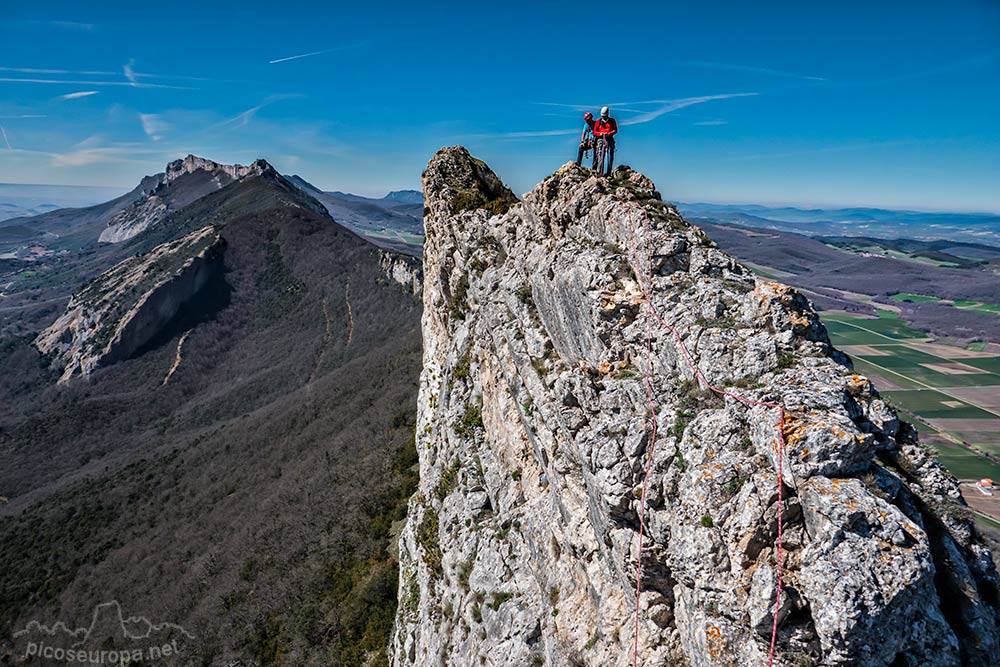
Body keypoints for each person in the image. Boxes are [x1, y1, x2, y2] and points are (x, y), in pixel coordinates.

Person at [592, 106, 618, 175]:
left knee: (610, 154)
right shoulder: (598, 121)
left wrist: (609, 133)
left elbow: (615, 130)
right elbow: (594, 131)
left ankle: (608, 172)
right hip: (601, 138)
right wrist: (600, 133)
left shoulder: (612, 121)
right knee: (601, 155)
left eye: (604, 116)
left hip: (609, 138)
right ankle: (600, 172)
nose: (603, 117)